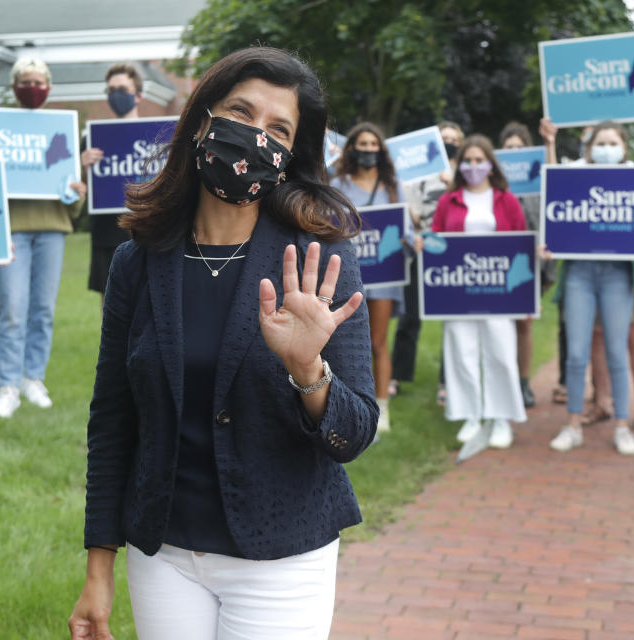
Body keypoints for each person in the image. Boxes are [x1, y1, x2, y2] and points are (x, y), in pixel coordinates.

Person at [68, 47, 378, 640]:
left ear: (291, 155)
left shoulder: (321, 261)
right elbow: (112, 421)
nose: (254, 135)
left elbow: (354, 432)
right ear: (202, 121)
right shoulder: (137, 261)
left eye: (278, 128)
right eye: (241, 111)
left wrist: (309, 370)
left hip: (282, 556)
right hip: (164, 555)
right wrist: (98, 566)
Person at [546, 112, 634, 456]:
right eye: (600, 143)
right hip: (580, 275)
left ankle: (622, 426)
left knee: (617, 350)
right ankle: (572, 424)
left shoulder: (632, 176)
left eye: (613, 143)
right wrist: (549, 142)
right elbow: (552, 181)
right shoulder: (576, 174)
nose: (606, 149)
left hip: (617, 273)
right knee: (576, 353)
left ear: (625, 148)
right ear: (589, 147)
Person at [0, 58, 87, 418]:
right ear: (14, 86)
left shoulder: (61, 130)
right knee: (12, 308)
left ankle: (33, 378)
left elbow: (72, 201)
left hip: (52, 230)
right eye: (25, 81)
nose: (32, 87)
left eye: (38, 81)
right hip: (11, 230)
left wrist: (78, 191)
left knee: (43, 310)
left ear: (48, 86)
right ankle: (8, 386)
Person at [431, 134, 527, 449]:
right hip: (457, 290)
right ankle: (471, 414)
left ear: (490, 164)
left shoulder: (506, 200)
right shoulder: (449, 200)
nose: (474, 166)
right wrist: (424, 244)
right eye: (468, 161)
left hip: (498, 292)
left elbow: (521, 243)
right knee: (462, 352)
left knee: (501, 352)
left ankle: (501, 418)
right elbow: (436, 239)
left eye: (479, 160)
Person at [330, 122, 418, 433]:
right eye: (362, 144)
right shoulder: (338, 183)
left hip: (384, 276)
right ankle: (345, 404)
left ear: (381, 150)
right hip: (347, 276)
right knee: (342, 344)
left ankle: (381, 410)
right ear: (352, 148)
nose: (368, 150)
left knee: (377, 342)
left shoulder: (394, 186)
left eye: (373, 144)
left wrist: (411, 241)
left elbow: (406, 229)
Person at [397, 121, 464, 405]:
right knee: (409, 316)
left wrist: (454, 185)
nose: (448, 142)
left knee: (453, 321)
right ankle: (396, 376)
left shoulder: (464, 174)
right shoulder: (415, 175)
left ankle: (448, 383)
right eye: (443, 138)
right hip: (419, 249)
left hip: (452, 256)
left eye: (453, 138)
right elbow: (405, 208)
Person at [498, 119, 557, 409]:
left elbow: (557, 182)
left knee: (524, 325)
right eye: (509, 148)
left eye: (519, 148)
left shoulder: (538, 184)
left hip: (528, 264)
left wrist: (549, 145)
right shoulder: (495, 187)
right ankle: (502, 384)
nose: (515, 152)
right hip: (496, 263)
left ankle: (522, 384)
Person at [81, 63, 144, 309]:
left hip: (147, 231)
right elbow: (79, 190)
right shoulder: (92, 139)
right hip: (107, 234)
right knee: (110, 308)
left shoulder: (157, 136)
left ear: (138, 95)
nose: (116, 94)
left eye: (122, 89)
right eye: (111, 90)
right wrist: (82, 167)